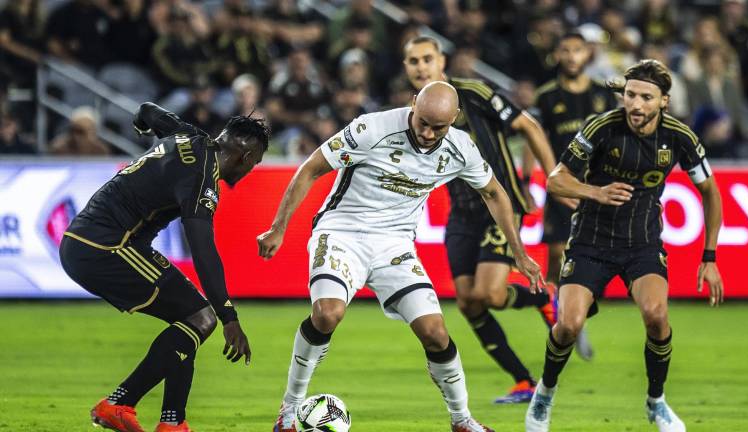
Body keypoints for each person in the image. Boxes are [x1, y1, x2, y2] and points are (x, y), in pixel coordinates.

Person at [258, 81, 544, 432]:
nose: (427, 133)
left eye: (438, 127)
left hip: (394, 245)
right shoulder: (371, 129)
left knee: (436, 333)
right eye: (422, 121)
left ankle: (462, 420)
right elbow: (311, 168)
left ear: (454, 119)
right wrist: (278, 227)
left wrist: (519, 252)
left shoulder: (460, 148)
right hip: (342, 232)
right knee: (327, 314)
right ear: (412, 104)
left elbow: (495, 193)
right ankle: (288, 412)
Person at [525, 59, 725, 432]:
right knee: (568, 325)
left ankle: (657, 402)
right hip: (590, 241)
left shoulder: (680, 137)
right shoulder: (602, 127)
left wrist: (709, 257)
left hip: (642, 243)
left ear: (664, 101)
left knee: (657, 316)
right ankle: (545, 394)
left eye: (646, 97)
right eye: (630, 94)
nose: (635, 104)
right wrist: (595, 192)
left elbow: (710, 192)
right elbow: (556, 180)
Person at [59, 102, 269, 432]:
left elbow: (147, 110)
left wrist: (143, 128)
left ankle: (173, 422)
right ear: (245, 157)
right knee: (203, 317)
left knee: (189, 318)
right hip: (105, 246)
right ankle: (119, 403)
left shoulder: (190, 135)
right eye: (254, 164)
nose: (249, 171)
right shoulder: (202, 179)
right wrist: (229, 316)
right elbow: (203, 250)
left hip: (91, 240)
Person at [403, 35, 557, 404]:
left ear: (442, 60)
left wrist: (556, 184)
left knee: (488, 293)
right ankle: (524, 381)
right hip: (461, 213)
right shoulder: (414, 112)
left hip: (500, 205)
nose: (421, 67)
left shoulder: (473, 92)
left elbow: (529, 127)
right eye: (413, 61)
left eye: (427, 58)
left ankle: (544, 298)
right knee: (469, 303)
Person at [531, 30, 617, 360]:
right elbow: (534, 139)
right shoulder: (547, 96)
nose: (570, 56)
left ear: (587, 55)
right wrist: (533, 179)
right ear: (557, 55)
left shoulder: (602, 96)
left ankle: (576, 316)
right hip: (562, 188)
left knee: (597, 259)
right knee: (556, 256)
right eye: (564, 50)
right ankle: (560, 319)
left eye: (576, 50)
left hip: (594, 189)